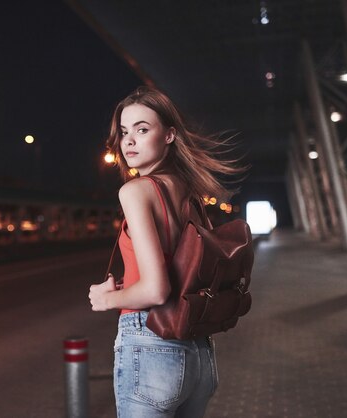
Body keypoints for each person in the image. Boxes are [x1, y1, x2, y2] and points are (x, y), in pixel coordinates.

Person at [88, 86, 243, 417]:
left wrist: (106, 299)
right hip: (199, 354)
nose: (128, 142)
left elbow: (157, 290)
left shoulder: (136, 191)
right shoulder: (190, 195)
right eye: (124, 132)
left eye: (142, 130)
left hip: (151, 344)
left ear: (169, 134)